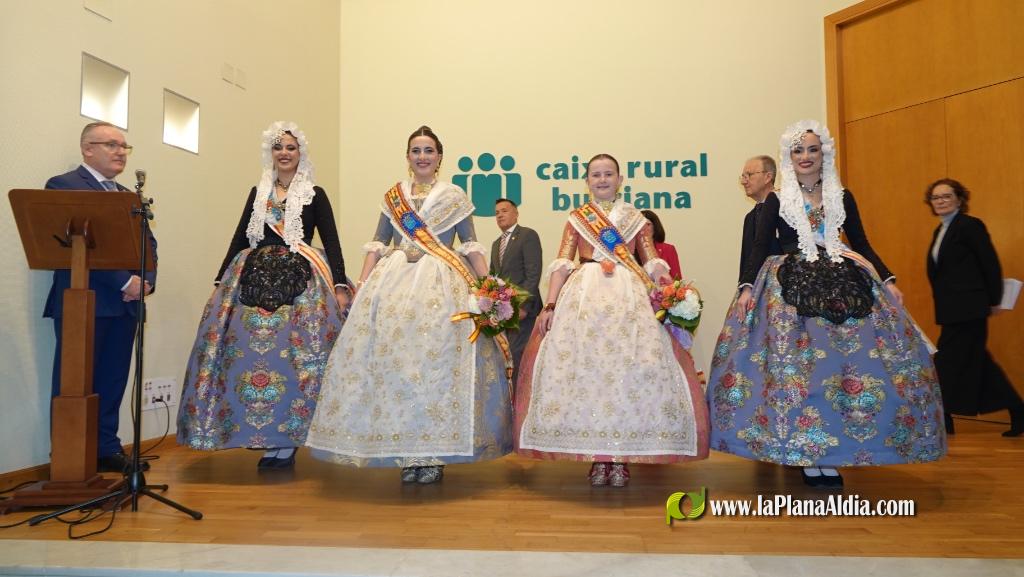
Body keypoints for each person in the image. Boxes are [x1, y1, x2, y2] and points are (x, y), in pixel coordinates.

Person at [708, 120, 946, 488]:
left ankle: (833, 455)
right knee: (800, 371)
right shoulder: (777, 198)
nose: (805, 156)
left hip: (843, 281)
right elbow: (758, 247)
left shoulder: (842, 196)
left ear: (824, 154)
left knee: (844, 369)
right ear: (789, 157)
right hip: (790, 286)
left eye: (812, 149)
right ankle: (806, 450)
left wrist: (887, 280)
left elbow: (862, 244)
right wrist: (745, 288)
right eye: (798, 150)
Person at [305, 125, 512, 484]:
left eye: (428, 150)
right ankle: (405, 449)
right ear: (407, 157)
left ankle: (431, 453)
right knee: (397, 368)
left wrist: (487, 288)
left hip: (441, 287)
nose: (422, 156)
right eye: (416, 150)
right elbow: (378, 242)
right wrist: (364, 285)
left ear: (439, 157)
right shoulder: (394, 196)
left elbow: (471, 245)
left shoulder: (454, 196)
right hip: (394, 284)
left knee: (435, 370)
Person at [515, 153, 709, 488]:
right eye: (595, 175)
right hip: (583, 298)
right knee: (588, 375)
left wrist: (669, 291)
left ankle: (619, 457)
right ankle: (597, 458)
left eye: (608, 174)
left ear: (620, 179)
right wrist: (549, 305)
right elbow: (562, 262)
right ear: (587, 181)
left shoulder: (635, 218)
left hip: (627, 296)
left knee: (625, 375)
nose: (602, 180)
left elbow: (651, 261)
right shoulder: (577, 218)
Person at [177, 121, 349, 470]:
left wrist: (341, 285)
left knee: (292, 359)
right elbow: (240, 238)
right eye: (278, 147)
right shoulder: (257, 194)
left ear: (301, 153)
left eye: (291, 147)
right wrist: (217, 285)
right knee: (248, 356)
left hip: (302, 282)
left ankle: (286, 441)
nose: (284, 153)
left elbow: (331, 240)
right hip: (250, 278)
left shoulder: (315, 194)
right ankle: (260, 434)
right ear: (270, 153)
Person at [44, 121, 156, 473]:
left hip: (125, 307)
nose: (121, 151)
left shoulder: (129, 195)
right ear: (87, 149)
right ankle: (69, 456)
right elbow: (78, 246)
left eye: (124, 146)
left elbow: (147, 243)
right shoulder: (64, 185)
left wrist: (147, 280)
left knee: (113, 379)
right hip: (86, 301)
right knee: (75, 383)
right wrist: (125, 283)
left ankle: (106, 449)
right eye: (111, 144)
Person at [925, 178, 1023, 437]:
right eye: (936, 198)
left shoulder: (970, 226)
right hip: (952, 310)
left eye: (946, 196)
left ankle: (944, 419)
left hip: (970, 308)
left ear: (959, 199)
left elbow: (989, 264)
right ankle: (1019, 410)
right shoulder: (941, 231)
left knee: (946, 361)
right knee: (978, 362)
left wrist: (995, 300)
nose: (941, 201)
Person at [490, 198, 542, 383]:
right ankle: (508, 399)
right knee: (504, 356)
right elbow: (493, 278)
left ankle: (519, 402)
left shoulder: (527, 235)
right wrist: (492, 309)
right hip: (503, 313)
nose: (500, 215)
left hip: (523, 312)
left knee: (518, 356)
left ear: (516, 213)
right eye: (496, 213)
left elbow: (533, 273)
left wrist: (523, 306)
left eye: (504, 211)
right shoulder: (496, 244)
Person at [738, 155, 782, 282]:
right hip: (754, 291)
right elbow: (747, 261)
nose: (743, 181)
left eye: (749, 175)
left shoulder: (785, 209)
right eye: (743, 177)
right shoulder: (750, 217)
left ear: (768, 177)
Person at [638, 209, 681, 280]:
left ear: (655, 227)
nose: (643, 229)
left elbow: (677, 280)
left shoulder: (668, 249)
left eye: (648, 224)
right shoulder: (630, 251)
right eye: (640, 225)